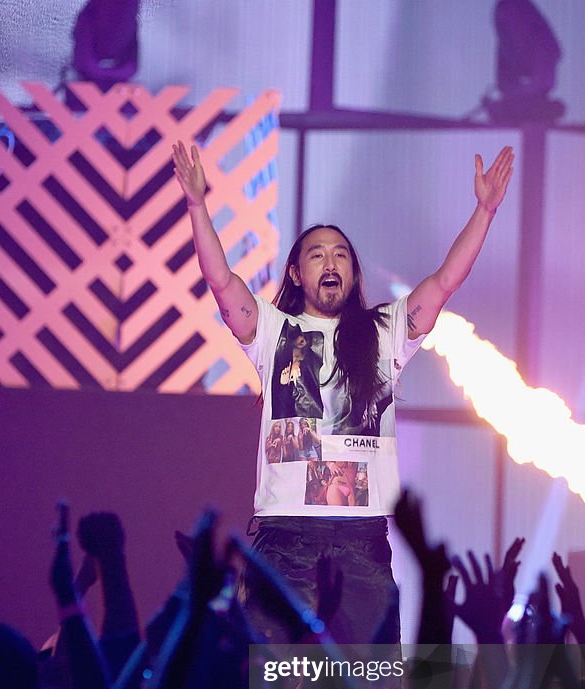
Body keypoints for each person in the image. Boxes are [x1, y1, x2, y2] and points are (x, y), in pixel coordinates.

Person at [172, 141, 513, 643]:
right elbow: (221, 282)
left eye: (340, 255)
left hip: (363, 539)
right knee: (278, 688)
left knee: (373, 687)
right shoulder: (274, 331)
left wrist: (484, 211)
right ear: (296, 272)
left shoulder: (385, 331)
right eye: (317, 255)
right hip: (284, 536)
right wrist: (198, 206)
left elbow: (444, 282)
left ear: (352, 274)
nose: (330, 263)